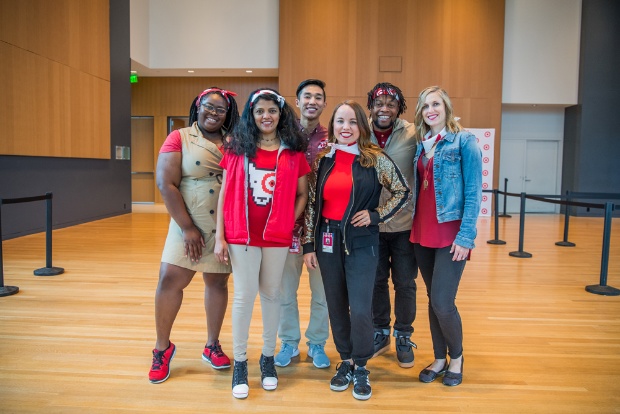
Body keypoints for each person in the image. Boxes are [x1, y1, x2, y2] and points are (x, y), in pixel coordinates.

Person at [302, 101, 410, 400]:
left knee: (361, 308)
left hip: (362, 242)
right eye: (340, 121)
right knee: (336, 305)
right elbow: (313, 204)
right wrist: (309, 244)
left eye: (352, 122)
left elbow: (402, 192)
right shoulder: (323, 160)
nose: (346, 127)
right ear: (333, 126)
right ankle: (346, 360)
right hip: (327, 240)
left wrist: (377, 216)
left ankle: (362, 365)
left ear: (362, 126)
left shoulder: (375, 159)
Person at [214, 88, 310, 399]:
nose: (265, 116)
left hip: (276, 237)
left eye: (271, 110)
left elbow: (302, 195)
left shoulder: (293, 152)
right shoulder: (237, 148)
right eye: (259, 111)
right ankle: (240, 363)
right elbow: (225, 193)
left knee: (272, 295)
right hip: (241, 234)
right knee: (244, 297)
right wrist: (220, 237)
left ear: (280, 114)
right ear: (251, 116)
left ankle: (268, 359)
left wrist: (288, 221)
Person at [149, 87, 240, 384]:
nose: (213, 113)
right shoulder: (180, 137)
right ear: (198, 106)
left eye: (220, 109)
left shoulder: (234, 141)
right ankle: (162, 348)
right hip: (187, 223)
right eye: (208, 107)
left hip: (222, 227)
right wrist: (187, 228)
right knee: (170, 279)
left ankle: (212, 344)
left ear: (228, 114)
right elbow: (165, 183)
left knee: (217, 282)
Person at [410, 86, 482, 387]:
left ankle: (456, 358)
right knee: (432, 299)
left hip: (451, 235)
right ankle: (439, 358)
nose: (431, 110)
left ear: (446, 107)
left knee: (442, 301)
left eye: (436, 104)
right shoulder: (420, 144)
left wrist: (466, 237)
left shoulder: (464, 141)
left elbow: (474, 192)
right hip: (421, 232)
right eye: (425, 105)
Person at [275, 79, 330, 369]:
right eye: (306, 96)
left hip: (322, 230)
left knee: (322, 294)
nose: (312, 101)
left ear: (323, 103)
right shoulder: (281, 136)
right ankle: (288, 342)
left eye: (318, 97)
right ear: (297, 102)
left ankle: (318, 344)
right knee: (285, 292)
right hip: (285, 227)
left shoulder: (332, 138)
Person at [366, 83, 420, 368]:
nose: (384, 109)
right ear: (371, 107)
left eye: (390, 104)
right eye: (378, 103)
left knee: (404, 283)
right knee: (375, 282)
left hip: (404, 223)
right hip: (371, 224)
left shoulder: (412, 132)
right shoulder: (361, 133)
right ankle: (380, 331)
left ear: (400, 108)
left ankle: (403, 334)